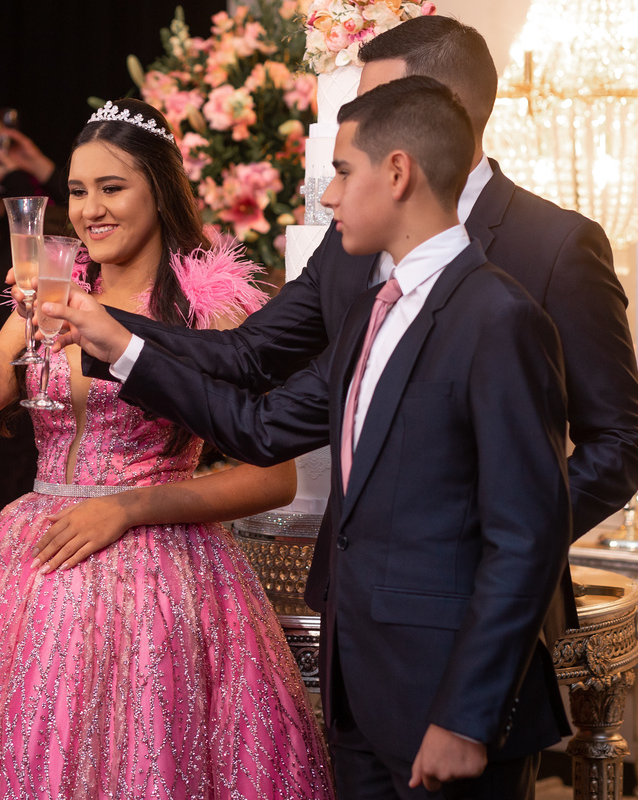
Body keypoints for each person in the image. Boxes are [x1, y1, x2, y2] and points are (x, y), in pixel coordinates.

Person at [54, 77, 571, 800]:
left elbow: (527, 539)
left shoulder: (499, 318)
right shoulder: (368, 312)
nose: (327, 197)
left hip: (445, 705)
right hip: (358, 694)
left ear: (397, 173)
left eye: (342, 171)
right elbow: (256, 426)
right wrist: (117, 342)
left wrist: (467, 717)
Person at [89, 14, 638, 634]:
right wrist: (97, 326)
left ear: (443, 112)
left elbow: (621, 441)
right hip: (351, 607)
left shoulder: (554, 246)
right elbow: (250, 357)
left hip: (480, 618)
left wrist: (499, 540)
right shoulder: (351, 235)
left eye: (376, 106)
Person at [0, 98, 333, 799]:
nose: (91, 210)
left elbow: (271, 477)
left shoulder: (209, 308)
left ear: (159, 186)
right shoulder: (49, 293)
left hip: (164, 573)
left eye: (111, 188)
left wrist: (129, 507)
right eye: (79, 192)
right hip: (36, 560)